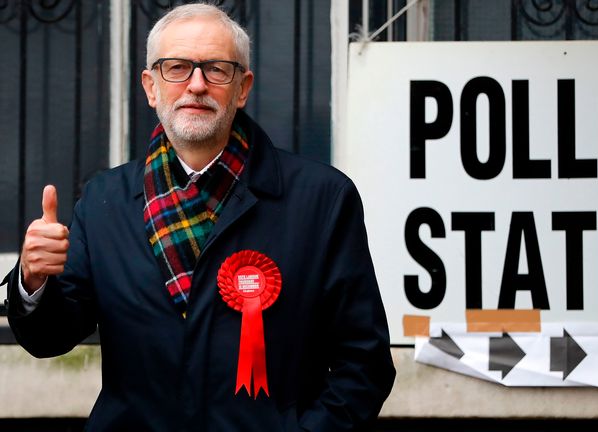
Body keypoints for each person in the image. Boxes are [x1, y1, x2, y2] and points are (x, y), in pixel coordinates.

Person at [3, 3, 395, 431]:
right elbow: (50, 338)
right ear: (151, 87)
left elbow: (365, 365)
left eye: (216, 70)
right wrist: (34, 281)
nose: (196, 85)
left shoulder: (322, 199)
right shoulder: (104, 201)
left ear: (242, 88)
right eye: (176, 68)